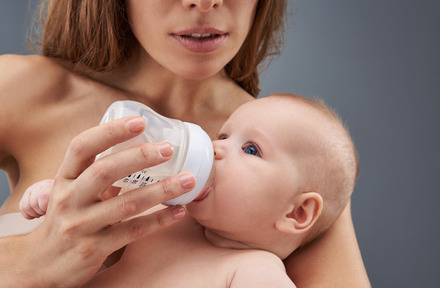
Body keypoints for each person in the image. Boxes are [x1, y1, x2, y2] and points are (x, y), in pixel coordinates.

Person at [0, 1, 370, 287]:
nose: (205, 2)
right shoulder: (23, 91)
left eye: (251, 149)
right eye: (222, 136)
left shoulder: (309, 159)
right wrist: (29, 262)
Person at [19, 94, 359, 287]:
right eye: (224, 136)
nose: (215, 148)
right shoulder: (162, 215)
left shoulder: (254, 271)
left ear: (296, 213)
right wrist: (55, 195)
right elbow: (86, 227)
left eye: (251, 149)